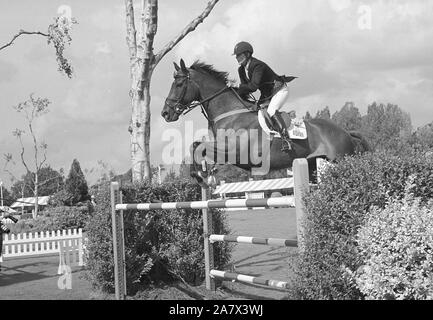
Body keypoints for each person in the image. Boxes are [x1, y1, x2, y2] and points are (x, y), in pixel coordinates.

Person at [232, 41, 296, 152]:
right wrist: (236, 94)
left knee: (271, 111)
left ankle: (286, 140)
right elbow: (245, 88)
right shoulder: (241, 70)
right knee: (258, 113)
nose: (237, 57)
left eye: (239, 55)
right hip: (267, 94)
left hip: (279, 90)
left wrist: (240, 88)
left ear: (247, 54)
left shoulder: (258, 65)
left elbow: (253, 86)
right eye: (236, 55)